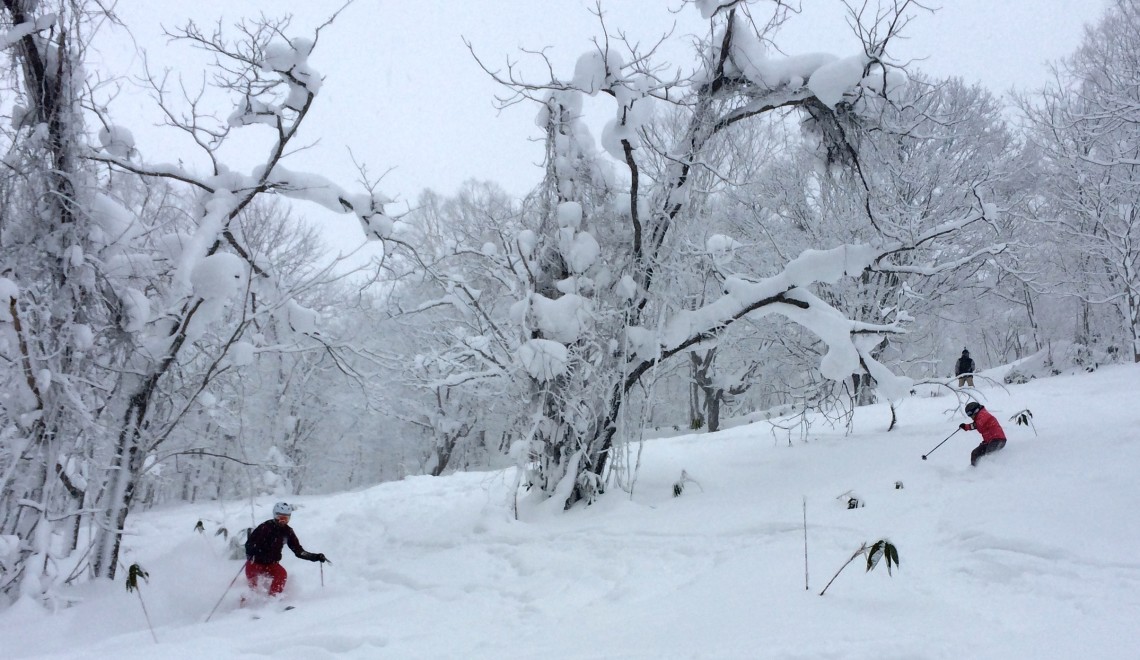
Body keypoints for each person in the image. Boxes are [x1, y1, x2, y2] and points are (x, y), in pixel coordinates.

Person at [244, 502, 328, 598]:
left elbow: (299, 551)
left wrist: (314, 557)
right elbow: (248, 545)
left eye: (286, 518)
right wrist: (253, 549)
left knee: (281, 574)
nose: (283, 521)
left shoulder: (288, 532)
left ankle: (273, 599)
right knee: (253, 590)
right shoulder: (265, 528)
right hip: (255, 564)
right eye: (280, 518)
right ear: (275, 516)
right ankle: (246, 605)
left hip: (271, 565)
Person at [959, 401, 1006, 467]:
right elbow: (977, 425)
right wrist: (965, 427)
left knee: (988, 453)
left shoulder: (983, 414)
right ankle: (973, 469)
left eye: (970, 414)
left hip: (998, 440)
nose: (970, 416)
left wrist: (966, 427)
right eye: (968, 415)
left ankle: (991, 471)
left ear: (976, 410)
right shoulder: (979, 417)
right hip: (988, 442)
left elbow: (979, 424)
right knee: (975, 453)